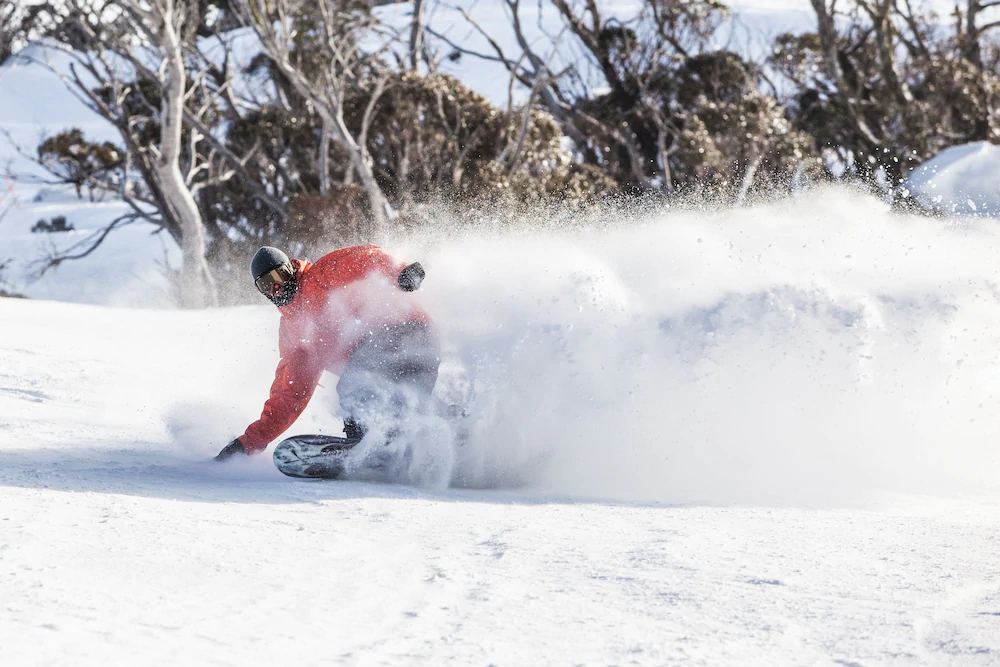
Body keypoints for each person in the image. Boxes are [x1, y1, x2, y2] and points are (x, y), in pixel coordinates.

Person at [214, 245, 438, 462]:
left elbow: (364, 259)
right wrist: (249, 442)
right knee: (399, 404)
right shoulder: (293, 334)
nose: (277, 288)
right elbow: (289, 394)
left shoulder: (320, 276)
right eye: (267, 285)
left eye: (280, 277)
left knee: (355, 389)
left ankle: (367, 444)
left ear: (290, 270)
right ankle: (439, 432)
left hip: (406, 332)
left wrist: (400, 271)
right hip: (394, 361)